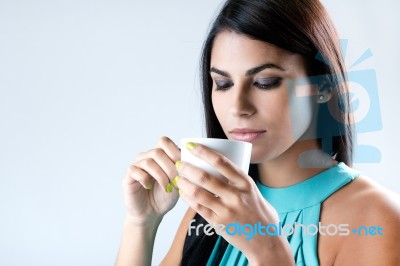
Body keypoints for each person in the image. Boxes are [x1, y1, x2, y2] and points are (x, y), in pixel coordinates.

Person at [115, 0, 400, 265]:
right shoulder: (216, 203)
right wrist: (141, 223)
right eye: (223, 84)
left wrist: (269, 252)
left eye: (265, 82)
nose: (238, 107)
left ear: (323, 88)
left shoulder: (377, 217)